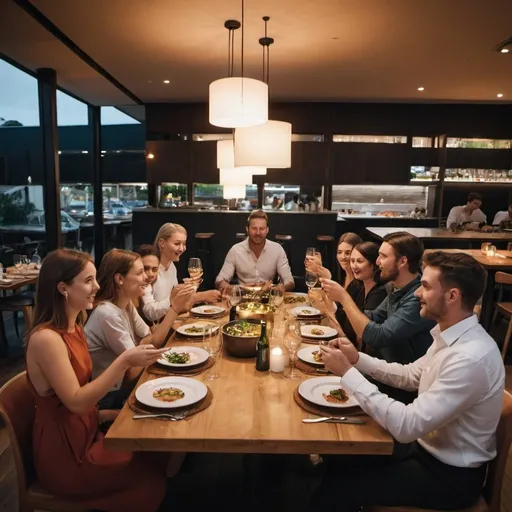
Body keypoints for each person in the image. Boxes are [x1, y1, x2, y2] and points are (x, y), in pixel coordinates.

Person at [313, 251, 505, 512]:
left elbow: (406, 425)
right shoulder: (450, 335)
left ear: (452, 296)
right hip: (423, 450)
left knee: (338, 488)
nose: (416, 293)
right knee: (340, 459)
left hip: (448, 476)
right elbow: (411, 375)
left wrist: (348, 373)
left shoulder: (471, 358)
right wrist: (357, 359)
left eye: (425, 286)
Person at [25, 248, 168, 511]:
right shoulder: (46, 339)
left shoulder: (75, 325)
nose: (98, 286)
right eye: (89, 280)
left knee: (158, 453)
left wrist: (107, 415)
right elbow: (76, 402)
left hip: (87, 429)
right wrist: (123, 361)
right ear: (63, 288)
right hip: (66, 456)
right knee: (152, 481)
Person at [86, 249, 194, 409]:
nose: (147, 278)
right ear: (120, 279)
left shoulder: (126, 304)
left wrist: (144, 345)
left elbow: (152, 340)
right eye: (140, 272)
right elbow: (135, 366)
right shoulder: (106, 313)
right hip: (109, 398)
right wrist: (174, 308)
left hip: (125, 385)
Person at [141, 223, 220, 322]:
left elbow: (179, 306)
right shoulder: (150, 272)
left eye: (184, 244)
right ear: (162, 243)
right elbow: (151, 314)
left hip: (172, 321)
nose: (182, 249)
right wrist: (197, 296)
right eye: (177, 244)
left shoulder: (171, 266)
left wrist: (193, 287)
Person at [215, 210, 295, 291]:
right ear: (247, 229)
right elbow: (219, 280)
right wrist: (236, 288)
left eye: (262, 229)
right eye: (254, 228)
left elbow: (289, 280)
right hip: (243, 297)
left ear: (267, 230)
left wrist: (281, 288)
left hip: (269, 298)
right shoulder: (235, 250)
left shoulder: (277, 249)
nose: (258, 233)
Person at [327, 242, 387, 347]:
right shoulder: (360, 287)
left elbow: (361, 341)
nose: (354, 266)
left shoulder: (379, 294)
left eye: (359, 261)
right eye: (352, 261)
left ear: (374, 264)